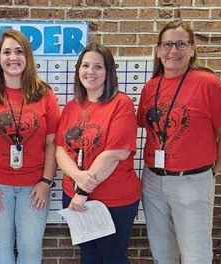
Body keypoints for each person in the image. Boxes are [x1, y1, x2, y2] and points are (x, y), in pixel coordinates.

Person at [136, 20, 221, 264]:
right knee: (162, 253)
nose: (174, 51)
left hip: (192, 181)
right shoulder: (151, 87)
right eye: (168, 44)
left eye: (181, 44)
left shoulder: (207, 83)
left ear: (192, 49)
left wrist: (211, 172)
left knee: (196, 256)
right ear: (158, 50)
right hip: (153, 180)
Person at [0, 29, 61, 264]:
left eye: (18, 51)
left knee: (30, 248)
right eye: (6, 52)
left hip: (34, 188)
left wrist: (46, 182)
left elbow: (52, 143)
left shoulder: (45, 94)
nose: (12, 57)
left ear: (27, 57)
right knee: (2, 245)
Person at [55, 43, 142, 264]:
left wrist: (82, 189)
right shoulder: (73, 106)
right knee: (89, 256)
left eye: (98, 67)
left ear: (108, 72)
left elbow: (115, 153)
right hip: (75, 196)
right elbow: (60, 150)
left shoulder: (121, 104)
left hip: (113, 200)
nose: (90, 72)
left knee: (113, 258)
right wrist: (77, 177)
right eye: (85, 66)